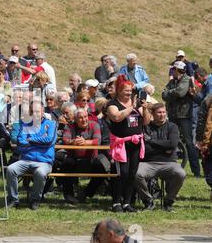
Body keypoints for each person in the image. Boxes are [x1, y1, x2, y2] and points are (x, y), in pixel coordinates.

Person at [106, 75, 151, 212]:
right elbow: (117, 117)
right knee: (123, 173)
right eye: (126, 90)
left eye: (131, 91)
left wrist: (145, 108)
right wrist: (132, 107)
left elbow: (147, 121)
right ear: (119, 90)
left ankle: (127, 202)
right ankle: (116, 202)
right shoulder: (112, 105)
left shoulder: (135, 105)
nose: (129, 93)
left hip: (136, 143)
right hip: (121, 145)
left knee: (132, 174)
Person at [6, 100, 57, 210]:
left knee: (40, 173)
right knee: (10, 169)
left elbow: (49, 141)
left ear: (43, 111)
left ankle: (35, 200)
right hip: (26, 159)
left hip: (44, 161)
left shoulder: (51, 124)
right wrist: (39, 142)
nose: (35, 114)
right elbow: (20, 141)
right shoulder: (25, 125)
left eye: (38, 111)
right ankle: (13, 199)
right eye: (32, 111)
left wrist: (31, 140)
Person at [135, 103, 186, 211]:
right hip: (149, 163)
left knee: (181, 173)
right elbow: (146, 149)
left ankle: (168, 201)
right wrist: (164, 148)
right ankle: (148, 201)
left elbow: (172, 144)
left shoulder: (172, 127)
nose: (162, 115)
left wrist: (151, 141)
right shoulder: (147, 127)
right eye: (159, 112)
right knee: (136, 174)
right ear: (153, 114)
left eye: (164, 112)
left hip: (169, 163)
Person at [162, 61, 200, 178]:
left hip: (184, 116)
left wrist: (170, 93)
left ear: (178, 70)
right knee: (171, 140)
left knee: (189, 142)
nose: (172, 71)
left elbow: (180, 92)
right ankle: (170, 167)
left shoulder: (187, 79)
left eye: (173, 69)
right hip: (173, 115)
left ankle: (196, 171)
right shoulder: (172, 81)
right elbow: (164, 95)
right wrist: (171, 92)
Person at [59, 108, 102, 204]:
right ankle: (69, 195)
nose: (84, 119)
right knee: (66, 164)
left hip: (91, 158)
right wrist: (73, 141)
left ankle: (86, 193)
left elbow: (98, 141)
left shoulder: (95, 125)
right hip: (73, 157)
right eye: (81, 118)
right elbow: (65, 140)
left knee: (102, 167)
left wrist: (85, 142)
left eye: (85, 116)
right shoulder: (69, 127)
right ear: (75, 119)